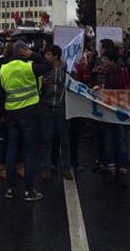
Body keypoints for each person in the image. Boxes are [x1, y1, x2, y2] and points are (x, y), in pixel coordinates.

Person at [0, 40, 51, 202]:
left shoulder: (3, 69)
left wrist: (1, 115)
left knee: (12, 150)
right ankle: (29, 190)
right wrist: (34, 55)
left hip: (11, 114)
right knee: (28, 151)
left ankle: (10, 189)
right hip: (30, 113)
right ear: (23, 53)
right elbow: (48, 65)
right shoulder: (30, 67)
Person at [93, 46, 130, 188]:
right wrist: (98, 90)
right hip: (107, 113)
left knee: (122, 144)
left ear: (112, 61)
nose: (103, 62)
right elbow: (99, 86)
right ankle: (112, 170)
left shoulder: (123, 72)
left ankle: (122, 172)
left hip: (121, 114)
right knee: (109, 144)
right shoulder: (101, 72)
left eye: (105, 59)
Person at [40, 45, 72, 181]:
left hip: (61, 109)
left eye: (48, 54)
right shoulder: (45, 70)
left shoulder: (67, 70)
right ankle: (46, 167)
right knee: (47, 139)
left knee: (64, 140)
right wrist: (42, 82)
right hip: (46, 107)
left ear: (56, 56)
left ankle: (66, 168)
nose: (45, 57)